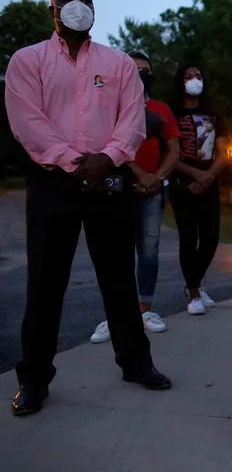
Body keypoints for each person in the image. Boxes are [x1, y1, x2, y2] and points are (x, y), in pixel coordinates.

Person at [4, 0, 172, 416]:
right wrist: (75, 162)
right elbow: (27, 121)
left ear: (95, 9)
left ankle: (136, 362)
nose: (78, 7)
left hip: (108, 179)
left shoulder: (118, 64)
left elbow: (133, 120)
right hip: (53, 182)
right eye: (68, 1)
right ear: (52, 11)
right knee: (45, 283)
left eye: (86, 1)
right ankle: (35, 379)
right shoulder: (28, 61)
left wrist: (108, 159)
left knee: (118, 276)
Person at [89, 50, 180, 343]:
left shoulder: (161, 109)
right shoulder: (110, 106)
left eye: (145, 69)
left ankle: (144, 310)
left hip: (153, 190)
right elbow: (109, 144)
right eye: (134, 68)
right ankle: (116, 315)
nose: (140, 74)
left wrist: (156, 177)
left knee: (149, 251)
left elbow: (174, 150)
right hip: (119, 187)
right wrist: (139, 173)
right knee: (117, 253)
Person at [169, 64, 228, 315]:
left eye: (198, 76)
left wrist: (207, 177)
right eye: (189, 77)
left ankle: (196, 281)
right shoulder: (171, 114)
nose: (194, 80)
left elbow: (225, 154)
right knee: (188, 238)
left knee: (211, 237)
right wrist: (195, 176)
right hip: (182, 184)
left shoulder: (214, 115)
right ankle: (193, 292)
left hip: (209, 183)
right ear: (180, 82)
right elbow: (170, 153)